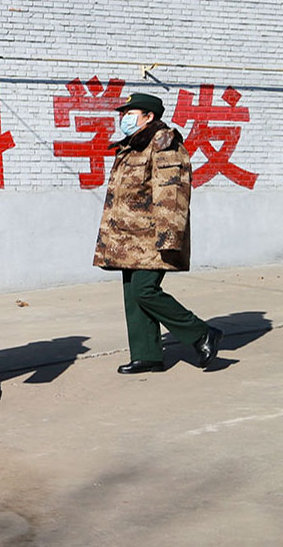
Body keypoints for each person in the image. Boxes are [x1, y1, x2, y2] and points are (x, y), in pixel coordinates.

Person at [94, 93, 222, 374]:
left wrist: (169, 237)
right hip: (128, 237)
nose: (124, 119)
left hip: (152, 236)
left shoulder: (164, 143)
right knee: (133, 294)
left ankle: (201, 333)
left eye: (131, 113)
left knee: (145, 290)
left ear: (149, 116)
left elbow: (171, 193)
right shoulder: (133, 145)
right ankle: (147, 354)